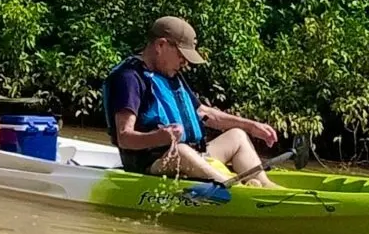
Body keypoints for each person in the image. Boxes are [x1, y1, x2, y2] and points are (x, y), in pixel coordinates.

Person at [103, 16, 282, 187]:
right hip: (151, 165)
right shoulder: (128, 78)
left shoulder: (170, 74)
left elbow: (204, 113)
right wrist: (160, 137)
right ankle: (235, 187)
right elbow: (124, 137)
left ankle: (266, 186)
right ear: (161, 45)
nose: (185, 62)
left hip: (192, 156)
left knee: (237, 136)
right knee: (182, 151)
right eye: (181, 55)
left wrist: (251, 126)